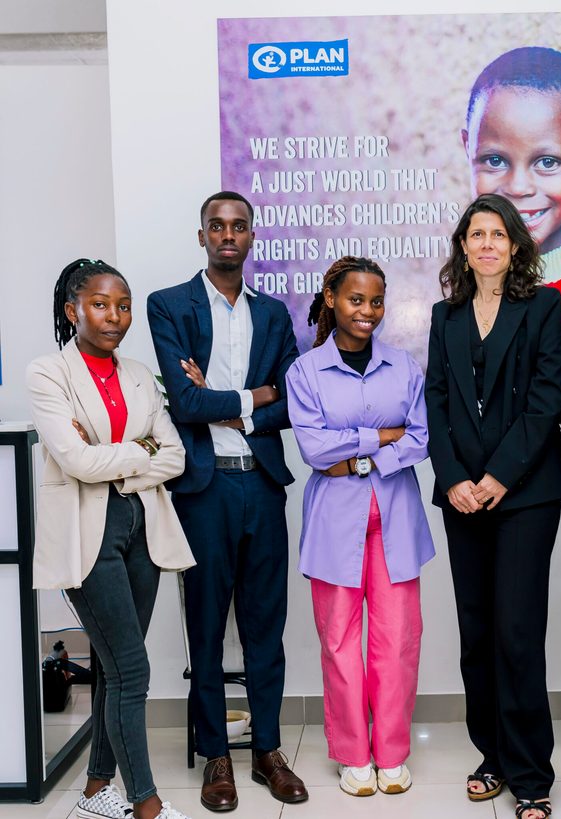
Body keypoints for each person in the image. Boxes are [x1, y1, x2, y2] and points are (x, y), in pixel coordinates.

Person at [147, 192, 306, 812]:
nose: (228, 235)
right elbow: (186, 404)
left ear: (252, 237)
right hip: (204, 489)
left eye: (238, 226)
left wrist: (234, 403)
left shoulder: (274, 314)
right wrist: (255, 395)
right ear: (202, 236)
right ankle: (216, 754)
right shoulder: (170, 305)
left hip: (261, 484)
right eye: (217, 226)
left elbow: (292, 402)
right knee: (207, 627)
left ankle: (267, 750)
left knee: (266, 626)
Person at [425, 193, 561, 819]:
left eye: (498, 234)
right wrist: (455, 479)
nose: (487, 244)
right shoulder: (445, 315)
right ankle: (491, 755)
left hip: (526, 495)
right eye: (476, 234)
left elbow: (546, 400)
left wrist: (497, 478)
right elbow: (436, 401)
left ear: (515, 246)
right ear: (464, 247)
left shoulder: (543, 305)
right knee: (477, 633)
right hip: (462, 497)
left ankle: (531, 773)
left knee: (517, 632)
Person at [27, 259, 196, 819]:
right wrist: (139, 451)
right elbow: (75, 461)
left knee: (112, 666)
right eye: (100, 305)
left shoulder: (140, 374)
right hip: (88, 534)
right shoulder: (49, 374)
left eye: (123, 306)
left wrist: (111, 458)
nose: (114, 316)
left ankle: (96, 789)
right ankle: (146, 804)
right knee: (132, 670)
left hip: (142, 528)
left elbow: (174, 455)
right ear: (73, 310)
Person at [285, 256, 434, 797]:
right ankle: (353, 755)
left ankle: (391, 754)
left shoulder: (404, 367)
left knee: (398, 642)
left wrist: (357, 456)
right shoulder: (305, 372)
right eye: (355, 299)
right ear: (331, 298)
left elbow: (420, 437)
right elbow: (315, 449)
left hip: (397, 521)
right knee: (340, 643)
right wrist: (381, 437)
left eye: (375, 301)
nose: (367, 311)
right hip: (333, 524)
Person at [463, 46, 561, 315]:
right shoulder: (469, 275)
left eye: (547, 162)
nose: (518, 188)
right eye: (495, 160)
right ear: (468, 149)